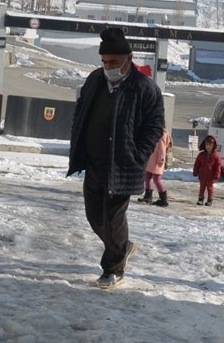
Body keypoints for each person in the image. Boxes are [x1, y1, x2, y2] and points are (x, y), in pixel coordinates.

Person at [67, 27, 166, 289]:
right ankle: (124, 247)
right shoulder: (94, 81)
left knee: (112, 218)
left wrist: (139, 153)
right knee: (94, 217)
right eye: (104, 61)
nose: (107, 66)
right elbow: (80, 110)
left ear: (127, 59)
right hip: (94, 162)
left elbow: (156, 126)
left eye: (112, 62)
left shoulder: (145, 88)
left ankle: (113, 268)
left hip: (123, 164)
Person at [139, 128, 173, 207]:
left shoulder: (162, 134)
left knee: (156, 179)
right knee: (147, 177)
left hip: (157, 161)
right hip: (151, 159)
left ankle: (163, 199)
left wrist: (161, 160)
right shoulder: (156, 131)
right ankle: (148, 196)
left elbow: (162, 148)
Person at [193, 135, 223, 206]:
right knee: (202, 188)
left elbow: (218, 166)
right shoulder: (201, 155)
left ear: (213, 146)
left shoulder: (216, 156)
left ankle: (210, 200)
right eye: (207, 145)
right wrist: (195, 171)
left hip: (210, 176)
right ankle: (200, 199)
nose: (208, 147)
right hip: (202, 175)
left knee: (210, 188)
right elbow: (197, 164)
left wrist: (217, 175)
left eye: (210, 145)